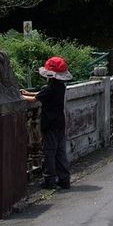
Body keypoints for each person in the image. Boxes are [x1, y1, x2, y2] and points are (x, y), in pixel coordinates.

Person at [21, 56, 72, 190]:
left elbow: (34, 99)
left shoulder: (49, 89)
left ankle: (49, 180)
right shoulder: (60, 87)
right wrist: (28, 93)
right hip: (60, 124)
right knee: (60, 153)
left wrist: (21, 96)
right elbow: (40, 94)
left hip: (49, 125)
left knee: (49, 152)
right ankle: (64, 180)